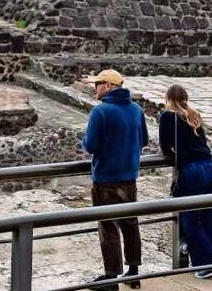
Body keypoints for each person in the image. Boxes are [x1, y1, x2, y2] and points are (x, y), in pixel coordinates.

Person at [82, 69, 149, 290]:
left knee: (108, 226)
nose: (95, 88)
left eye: (98, 84)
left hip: (105, 178)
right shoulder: (136, 109)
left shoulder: (100, 112)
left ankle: (111, 278)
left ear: (108, 86)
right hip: (129, 177)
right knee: (130, 224)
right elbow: (144, 140)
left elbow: (90, 145)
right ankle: (133, 273)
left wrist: (85, 140)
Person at [159, 85, 212, 280]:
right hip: (210, 167)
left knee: (190, 217)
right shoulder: (194, 115)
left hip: (192, 170)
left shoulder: (168, 116)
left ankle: (205, 264)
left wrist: (175, 156)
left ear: (168, 98)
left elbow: (165, 147)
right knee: (209, 215)